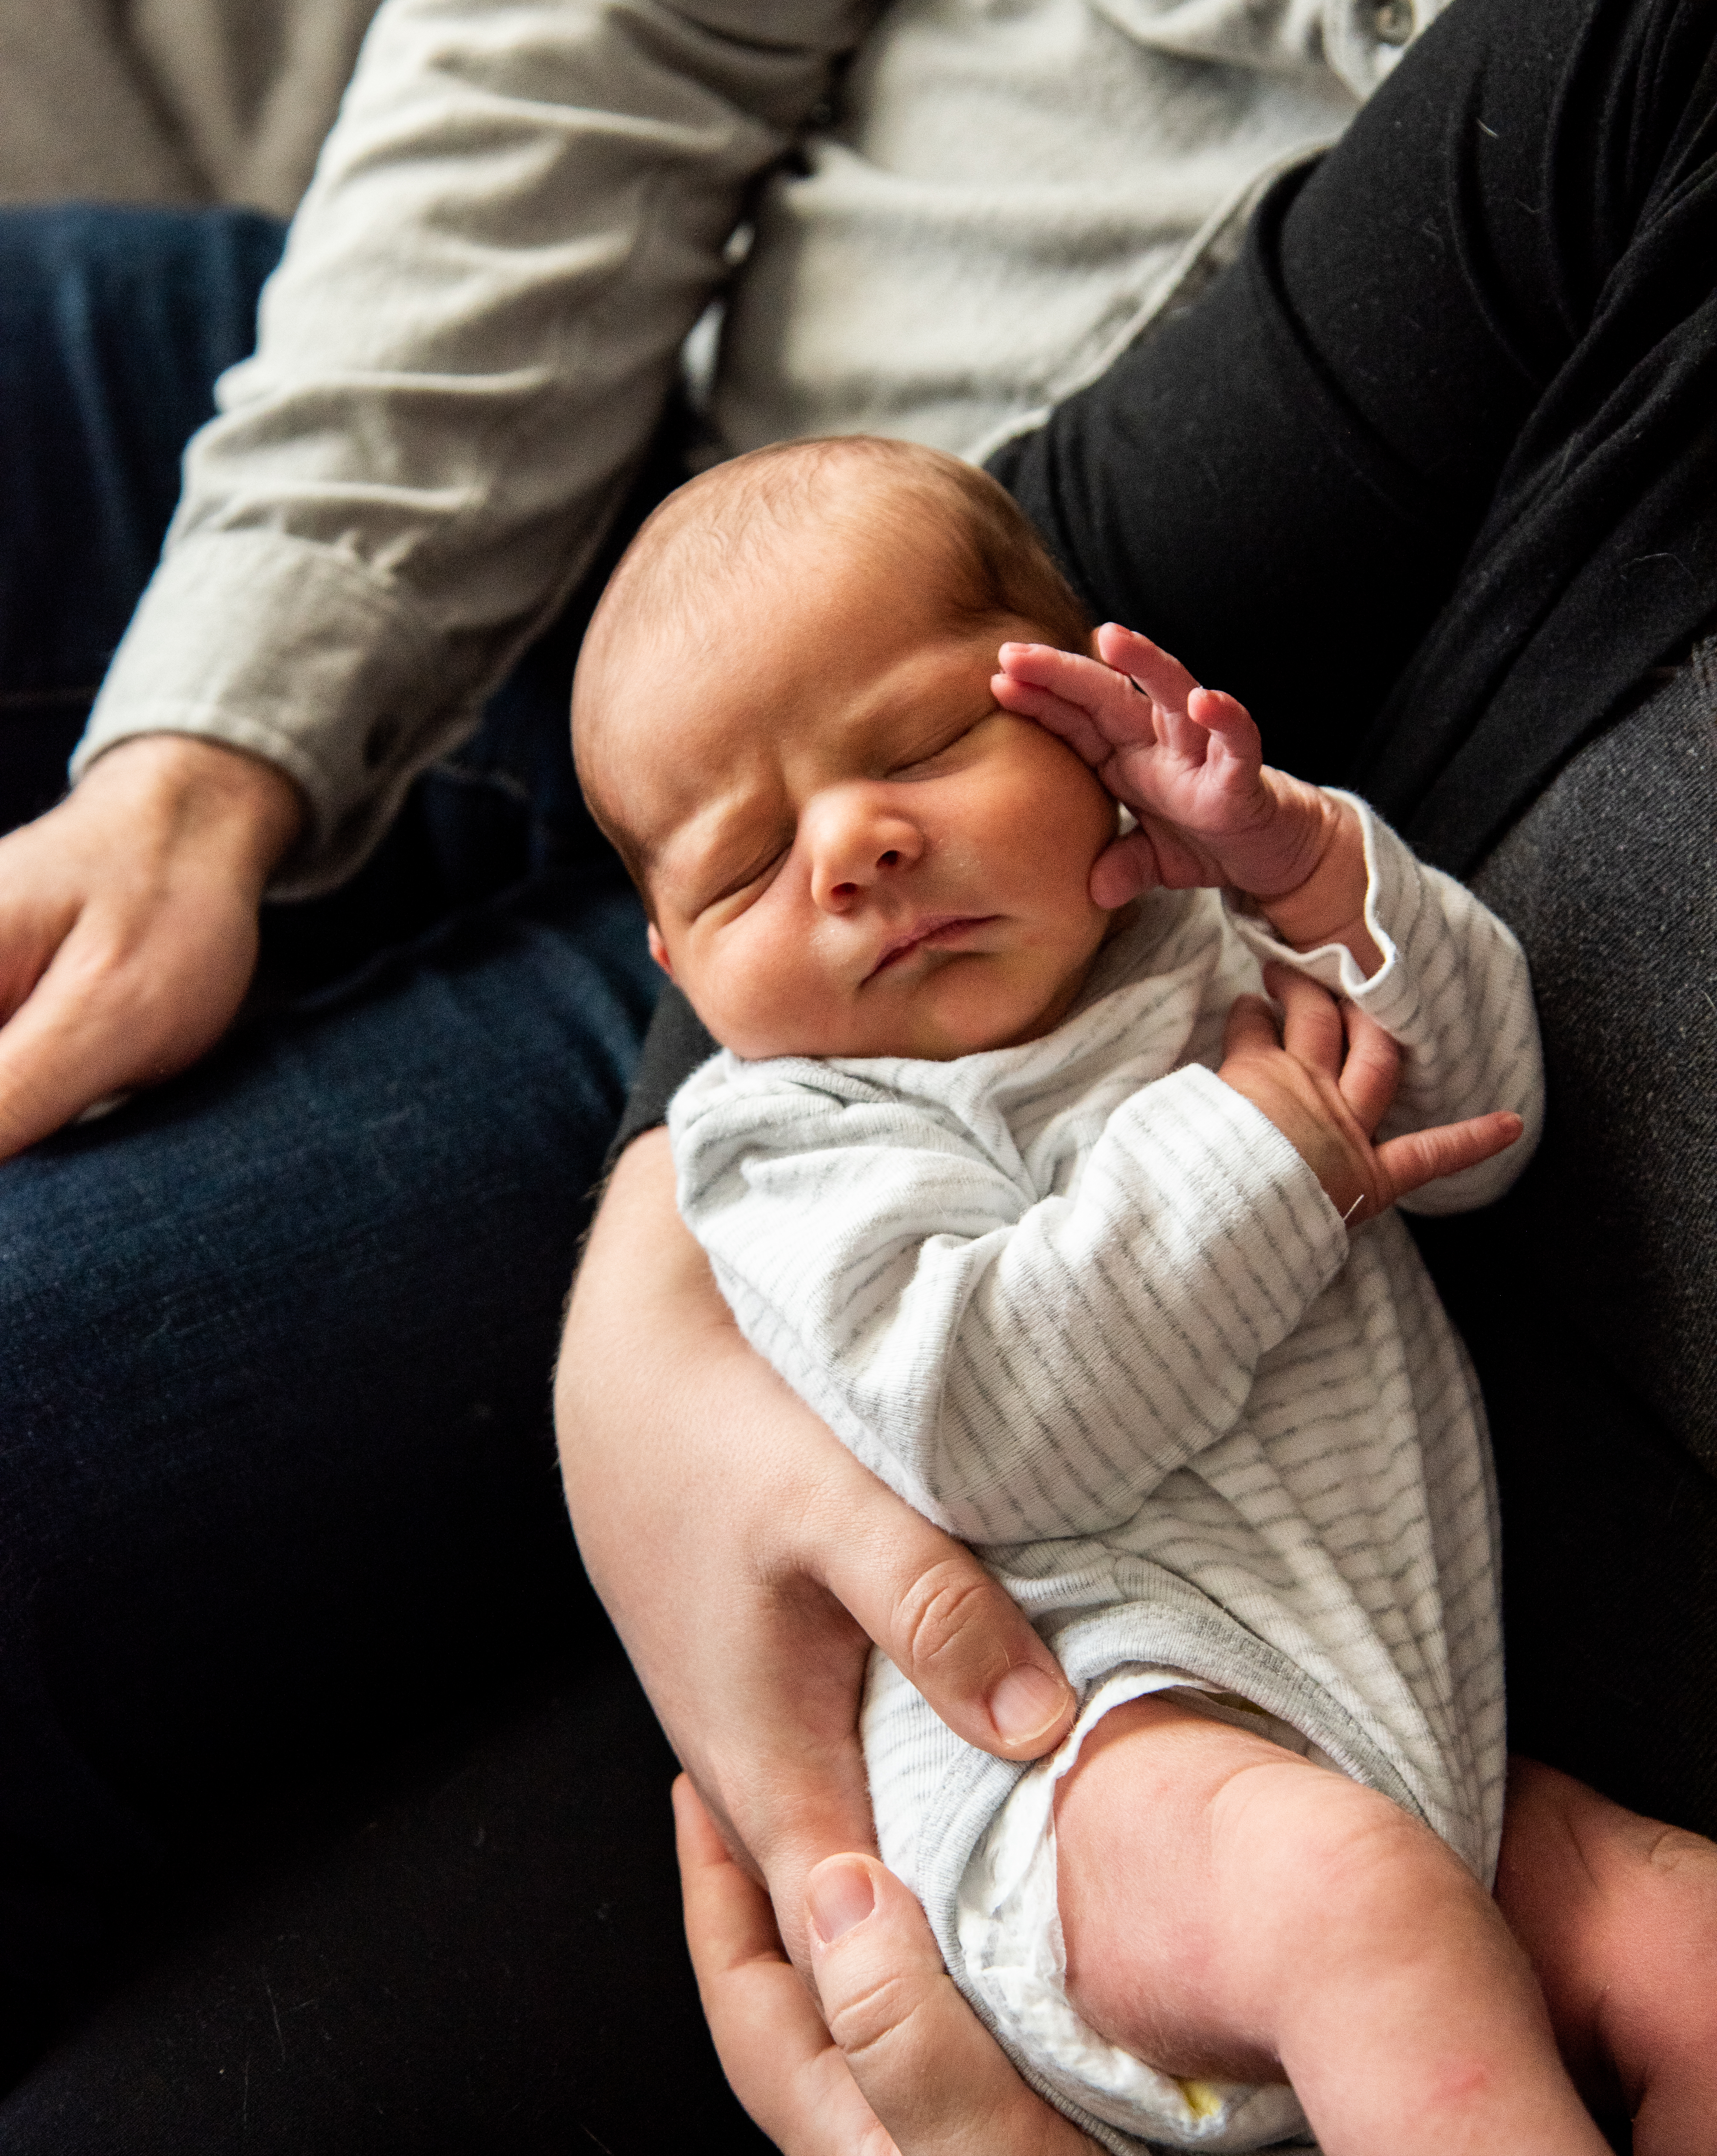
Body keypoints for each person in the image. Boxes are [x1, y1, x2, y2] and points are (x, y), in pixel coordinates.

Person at [0, 0, 1710, 2150]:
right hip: (699, 418)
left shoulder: (1024, 950)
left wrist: (1270, 867)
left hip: (936, 823)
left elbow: (1421, 1104)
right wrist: (212, 736)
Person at [570, 436, 1712, 2155]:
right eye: (742, 867)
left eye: (921, 748)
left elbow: (1483, 1121)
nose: (854, 848)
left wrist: (1310, 870)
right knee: (1345, 1898)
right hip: (1084, 1788)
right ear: (674, 967)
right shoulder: (785, 1133)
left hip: (1402, 1753)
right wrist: (1255, 1153)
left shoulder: (1203, 931)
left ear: (1090, 718)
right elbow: (985, 1428)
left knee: (1687, 1943)